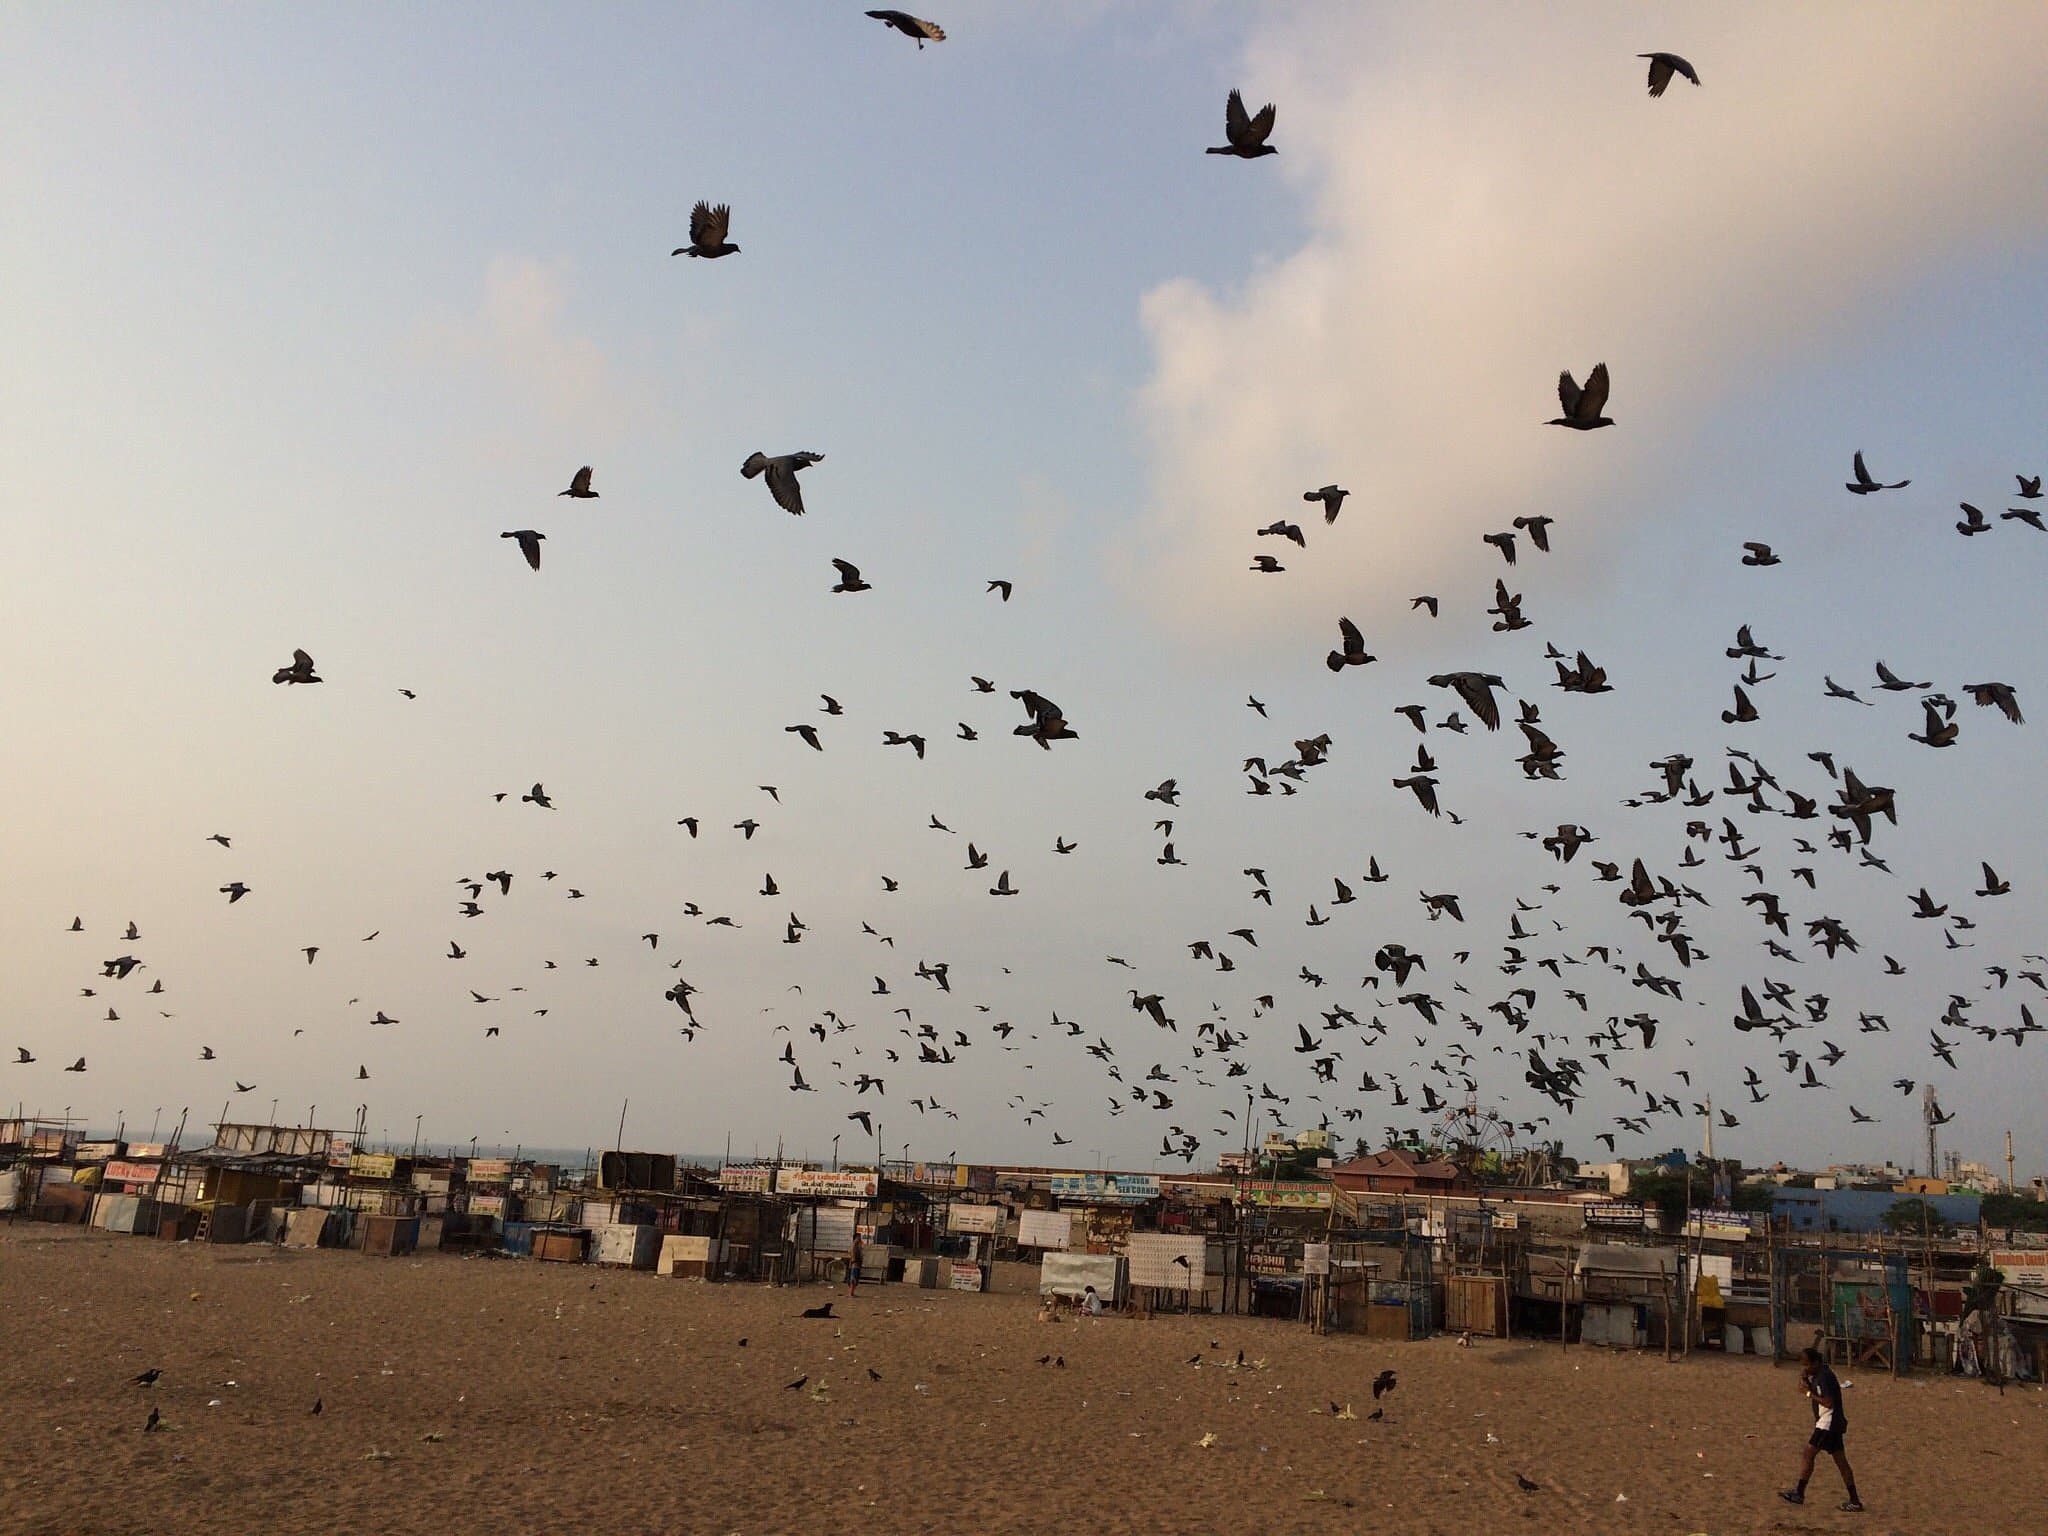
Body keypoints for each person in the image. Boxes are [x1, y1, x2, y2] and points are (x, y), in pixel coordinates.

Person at [1781, 1346, 1862, 1512]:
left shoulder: (1824, 1377)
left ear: (1816, 1363)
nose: (1805, 1369)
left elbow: (1827, 1402)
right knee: (1841, 1462)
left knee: (1808, 1453)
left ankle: (1799, 1493)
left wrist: (1807, 1393)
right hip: (1832, 1423)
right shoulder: (1820, 1374)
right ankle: (1855, 1501)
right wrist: (1807, 1382)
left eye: (1807, 1365)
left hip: (1828, 1423)